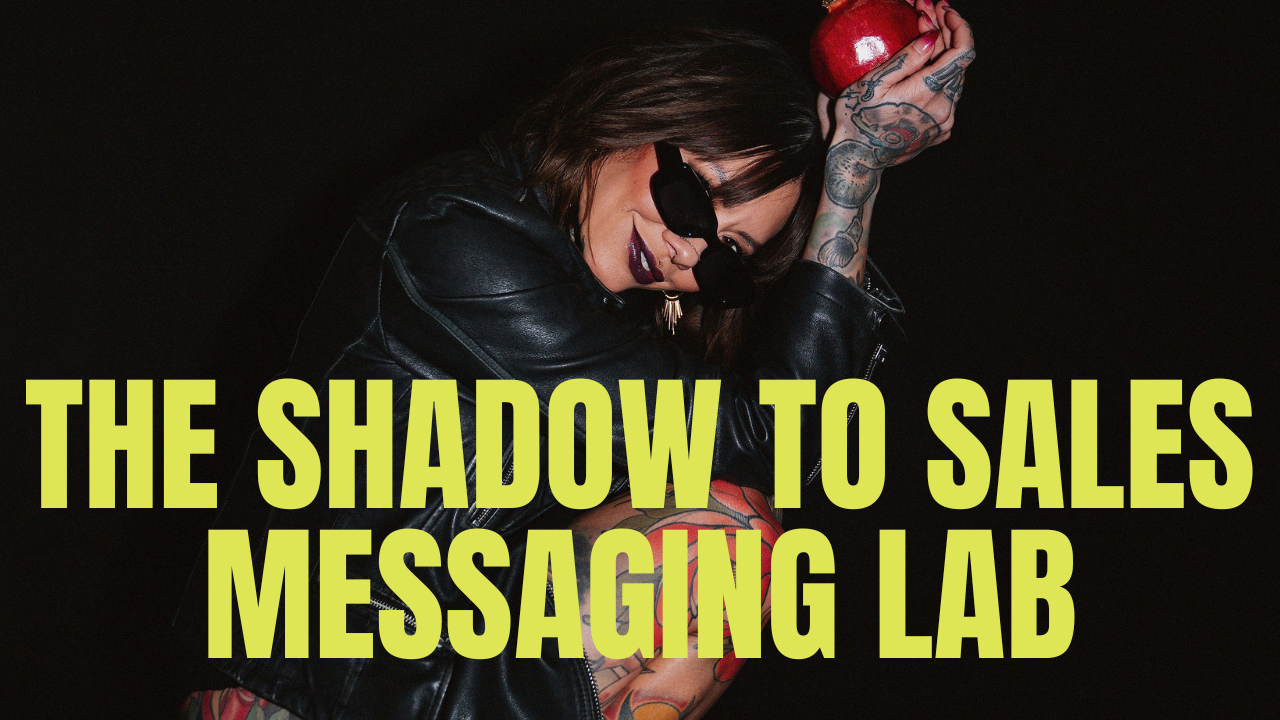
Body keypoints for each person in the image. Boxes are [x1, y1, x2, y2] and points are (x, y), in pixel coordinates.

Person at [175, 4, 974, 718]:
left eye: (727, 259)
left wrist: (846, 161)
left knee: (728, 550)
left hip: (447, 672)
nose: (688, 250)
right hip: (319, 690)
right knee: (726, 531)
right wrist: (855, 173)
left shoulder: (623, 327)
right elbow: (769, 437)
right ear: (640, 113)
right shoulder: (452, 228)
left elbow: (792, 454)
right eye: (695, 196)